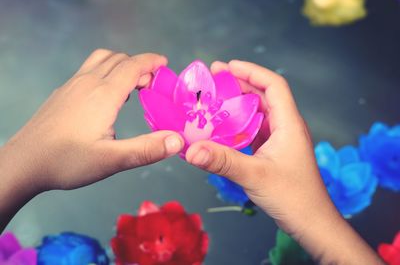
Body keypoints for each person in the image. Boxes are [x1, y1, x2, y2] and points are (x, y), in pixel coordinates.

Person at [0, 49, 383, 264]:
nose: (200, 109)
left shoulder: (241, 112)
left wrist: (19, 163)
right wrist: (319, 224)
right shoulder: (160, 100)